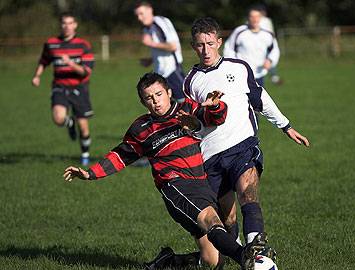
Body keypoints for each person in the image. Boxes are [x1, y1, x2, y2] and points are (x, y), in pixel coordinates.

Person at [63, 72, 267, 270]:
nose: (155, 101)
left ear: (169, 92)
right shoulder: (141, 128)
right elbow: (120, 156)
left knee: (214, 261)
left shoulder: (187, 108)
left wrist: (216, 106)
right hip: (176, 186)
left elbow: (216, 118)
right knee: (212, 222)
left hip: (202, 182)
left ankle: (168, 261)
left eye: (159, 94)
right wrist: (90, 173)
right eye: (149, 98)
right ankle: (244, 258)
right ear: (143, 102)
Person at [179, 17, 309, 264]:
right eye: (199, 45)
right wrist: (192, 122)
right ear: (193, 47)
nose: (205, 50)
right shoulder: (190, 82)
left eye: (209, 43)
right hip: (211, 157)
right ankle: (239, 254)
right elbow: (194, 123)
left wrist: (286, 126)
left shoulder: (239, 67)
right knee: (228, 219)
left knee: (248, 195)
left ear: (219, 42)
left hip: (242, 146)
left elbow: (261, 99)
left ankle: (257, 252)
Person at [31, 12, 95, 165]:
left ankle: (85, 155)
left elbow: (86, 71)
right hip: (59, 86)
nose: (67, 26)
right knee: (58, 118)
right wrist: (37, 75)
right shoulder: (51, 43)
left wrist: (71, 63)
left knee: (84, 128)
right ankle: (68, 122)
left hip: (79, 87)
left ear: (75, 25)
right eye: (64, 23)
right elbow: (44, 60)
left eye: (70, 23)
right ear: (60, 25)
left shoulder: (83, 45)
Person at [134, 1, 185, 103]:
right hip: (160, 73)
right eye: (137, 15)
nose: (139, 18)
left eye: (141, 14)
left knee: (185, 104)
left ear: (150, 10)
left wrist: (151, 43)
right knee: (164, 109)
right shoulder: (147, 29)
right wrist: (151, 60)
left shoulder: (160, 23)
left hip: (172, 71)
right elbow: (161, 51)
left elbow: (173, 46)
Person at [223, 6, 280, 87]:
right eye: (252, 16)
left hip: (259, 73)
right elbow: (229, 48)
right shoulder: (239, 32)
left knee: (257, 98)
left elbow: (275, 50)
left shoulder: (267, 34)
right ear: (248, 18)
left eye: (257, 16)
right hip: (242, 73)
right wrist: (233, 65)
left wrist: (270, 60)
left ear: (261, 18)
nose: (254, 19)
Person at [257, 5, 283, 85]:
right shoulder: (254, 20)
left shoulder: (267, 20)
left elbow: (271, 31)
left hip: (266, 44)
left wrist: (273, 41)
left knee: (270, 59)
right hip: (258, 45)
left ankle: (273, 77)